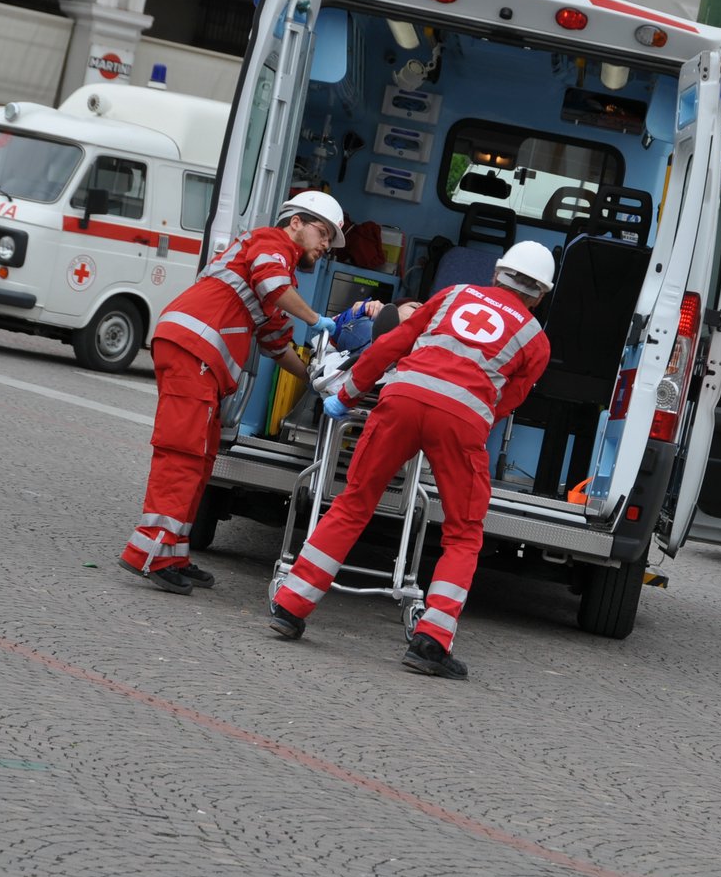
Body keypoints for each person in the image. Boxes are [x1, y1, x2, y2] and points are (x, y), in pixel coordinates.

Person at [266, 240, 556, 680]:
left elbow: (393, 343)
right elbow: (505, 402)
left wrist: (346, 394)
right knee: (463, 534)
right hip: (460, 423)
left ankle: (290, 606)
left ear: (496, 274)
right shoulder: (536, 340)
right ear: (540, 295)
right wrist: (466, 423)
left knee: (353, 503)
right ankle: (431, 643)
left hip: (401, 400)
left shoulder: (452, 294)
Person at [119, 190, 346, 594]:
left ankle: (173, 553)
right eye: (324, 233)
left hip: (197, 355)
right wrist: (316, 319)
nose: (326, 245)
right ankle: (148, 553)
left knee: (201, 458)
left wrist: (314, 375)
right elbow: (273, 286)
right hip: (193, 351)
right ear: (295, 222)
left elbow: (276, 341)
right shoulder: (269, 243)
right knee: (183, 453)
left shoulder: (280, 271)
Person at [332, 297, 423, 353]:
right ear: (395, 307)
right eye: (414, 307)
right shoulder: (372, 311)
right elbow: (334, 328)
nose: (420, 311)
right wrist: (358, 310)